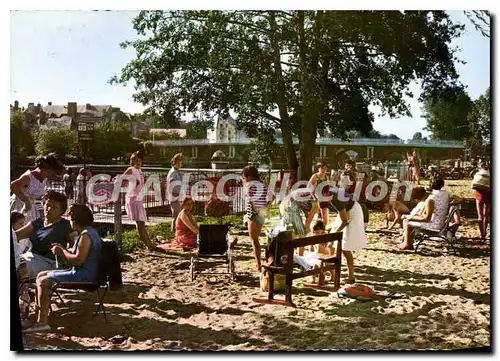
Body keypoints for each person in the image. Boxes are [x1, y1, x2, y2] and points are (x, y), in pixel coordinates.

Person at [24, 205, 103, 333]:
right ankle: (38, 315)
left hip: (84, 275)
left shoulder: (85, 236)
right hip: (86, 271)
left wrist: (62, 252)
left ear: (75, 221)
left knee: (44, 281)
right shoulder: (90, 232)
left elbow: (78, 260)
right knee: (41, 275)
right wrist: (65, 250)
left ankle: (42, 322)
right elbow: (81, 253)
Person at [15, 191, 75, 280]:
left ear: (61, 211)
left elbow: (75, 247)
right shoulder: (38, 222)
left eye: (54, 207)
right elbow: (16, 235)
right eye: (47, 205)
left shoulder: (65, 225)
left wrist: (64, 253)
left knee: (20, 268)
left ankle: (23, 291)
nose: (49, 209)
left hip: (51, 262)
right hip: (30, 257)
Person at [398, 178, 463, 250]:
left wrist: (410, 217)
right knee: (410, 219)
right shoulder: (446, 194)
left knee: (408, 223)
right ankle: (406, 242)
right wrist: (450, 204)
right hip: (440, 223)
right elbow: (461, 199)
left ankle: (407, 244)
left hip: (434, 226)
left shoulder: (430, 199)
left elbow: (426, 218)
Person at [327, 187, 367, 284]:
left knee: (345, 247)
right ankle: (333, 273)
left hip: (354, 213)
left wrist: (336, 232)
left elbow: (345, 221)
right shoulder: (327, 194)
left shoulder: (336, 199)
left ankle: (351, 276)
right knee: (332, 244)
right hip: (346, 210)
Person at [11, 153, 65, 222]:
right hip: (19, 207)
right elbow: (13, 185)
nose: (50, 176)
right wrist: (26, 200)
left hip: (31, 209)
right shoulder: (28, 177)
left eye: (52, 174)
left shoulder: (44, 178)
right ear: (43, 168)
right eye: (49, 173)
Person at [242, 166, 274, 272]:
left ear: (249, 176)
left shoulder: (250, 186)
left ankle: (259, 265)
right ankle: (258, 262)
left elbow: (250, 200)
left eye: (245, 177)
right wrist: (266, 207)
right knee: (256, 239)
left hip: (254, 214)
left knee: (254, 240)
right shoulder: (262, 185)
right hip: (261, 214)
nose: (244, 179)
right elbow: (272, 196)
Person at [122, 152, 156, 251]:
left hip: (138, 198)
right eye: (136, 161)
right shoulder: (131, 169)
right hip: (133, 198)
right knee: (140, 222)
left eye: (140, 161)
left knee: (141, 223)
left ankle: (148, 243)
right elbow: (120, 179)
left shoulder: (139, 170)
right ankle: (148, 245)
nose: (139, 162)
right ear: (132, 161)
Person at [472, 161, 490, 241]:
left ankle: (482, 234)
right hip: (489, 196)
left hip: (479, 196)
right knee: (486, 214)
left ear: (480, 166)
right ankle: (485, 231)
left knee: (480, 216)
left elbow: (474, 185)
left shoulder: (477, 174)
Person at [167, 153, 184, 233]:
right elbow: (172, 184)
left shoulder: (176, 172)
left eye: (180, 163)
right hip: (174, 196)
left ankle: (176, 232)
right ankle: (174, 232)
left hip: (176, 196)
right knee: (176, 216)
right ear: (174, 163)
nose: (180, 164)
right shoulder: (173, 172)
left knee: (177, 215)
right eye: (178, 163)